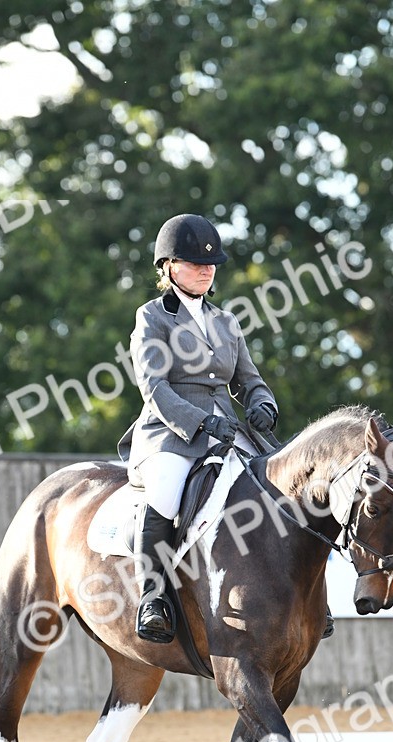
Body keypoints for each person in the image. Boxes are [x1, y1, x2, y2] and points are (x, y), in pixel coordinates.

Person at [117, 213, 279, 643]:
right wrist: (200, 422)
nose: (207, 269)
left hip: (228, 431)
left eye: (211, 264)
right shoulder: (151, 317)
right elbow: (154, 387)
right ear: (168, 267)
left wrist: (263, 405)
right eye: (194, 262)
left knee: (281, 489)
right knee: (166, 494)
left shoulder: (226, 321)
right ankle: (153, 598)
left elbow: (249, 380)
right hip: (172, 433)